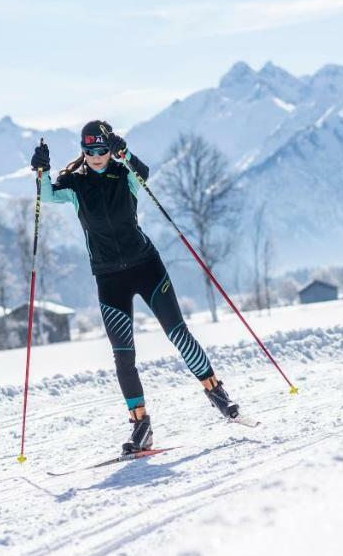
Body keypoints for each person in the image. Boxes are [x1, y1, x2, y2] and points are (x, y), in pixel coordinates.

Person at [30, 121, 244, 455]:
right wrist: (41, 170)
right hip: (109, 278)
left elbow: (142, 172)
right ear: (83, 150)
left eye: (102, 149)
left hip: (147, 267)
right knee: (123, 355)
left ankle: (215, 390)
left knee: (177, 332)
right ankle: (141, 424)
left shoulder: (123, 173)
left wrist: (123, 152)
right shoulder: (74, 182)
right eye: (90, 150)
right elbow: (46, 195)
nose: (97, 156)